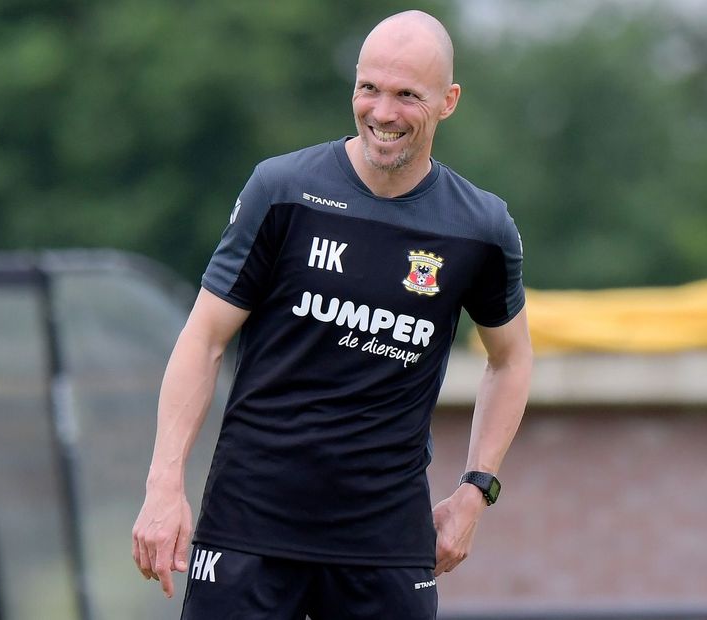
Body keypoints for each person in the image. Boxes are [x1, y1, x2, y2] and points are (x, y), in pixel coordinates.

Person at [130, 9, 533, 620]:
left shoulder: (480, 228)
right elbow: (204, 339)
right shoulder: (282, 190)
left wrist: (476, 491)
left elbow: (511, 360)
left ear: (448, 101)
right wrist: (164, 485)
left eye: (407, 95)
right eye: (369, 88)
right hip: (249, 528)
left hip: (386, 543)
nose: (383, 112)